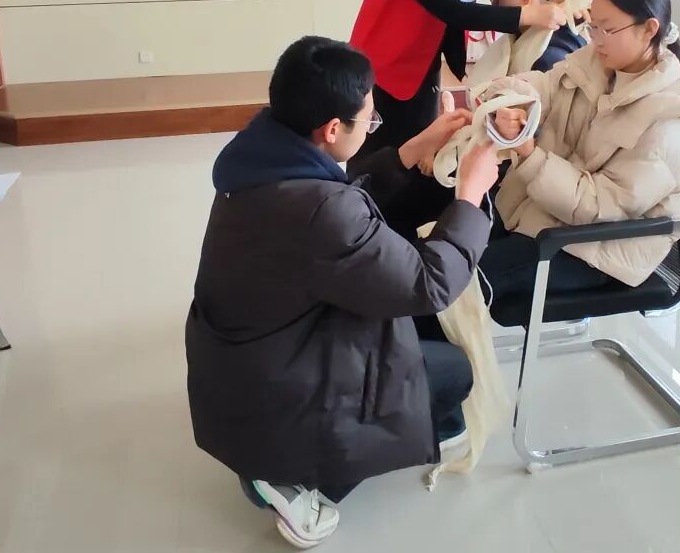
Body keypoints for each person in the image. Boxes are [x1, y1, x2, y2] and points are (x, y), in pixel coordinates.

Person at [185, 36, 501, 549]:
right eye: (369, 121)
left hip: (238, 363)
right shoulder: (321, 212)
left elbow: (339, 191)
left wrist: (411, 150)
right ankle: (292, 481)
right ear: (333, 129)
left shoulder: (258, 157)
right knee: (454, 371)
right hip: (276, 390)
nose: (371, 126)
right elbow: (429, 283)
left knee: (412, 343)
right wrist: (470, 195)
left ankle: (274, 454)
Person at [349, 0, 564, 240]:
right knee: (387, 159)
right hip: (383, 69)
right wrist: (529, 13)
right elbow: (452, 10)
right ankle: (369, 234)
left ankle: (409, 238)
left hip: (423, 62)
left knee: (422, 149)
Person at [479, 0, 680, 300]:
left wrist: (530, 154)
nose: (596, 39)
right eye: (592, 26)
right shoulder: (598, 62)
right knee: (448, 252)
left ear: (649, 29)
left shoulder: (668, 126)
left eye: (608, 29)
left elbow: (599, 207)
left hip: (596, 250)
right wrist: (507, 100)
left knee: (459, 284)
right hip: (549, 218)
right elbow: (544, 86)